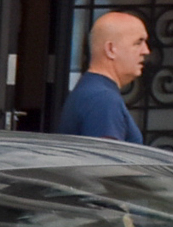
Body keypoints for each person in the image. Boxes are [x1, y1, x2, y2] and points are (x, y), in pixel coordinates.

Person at [55, 10, 150, 143]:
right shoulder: (103, 99)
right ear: (111, 49)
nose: (146, 51)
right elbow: (107, 161)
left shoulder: (92, 91)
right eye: (138, 43)